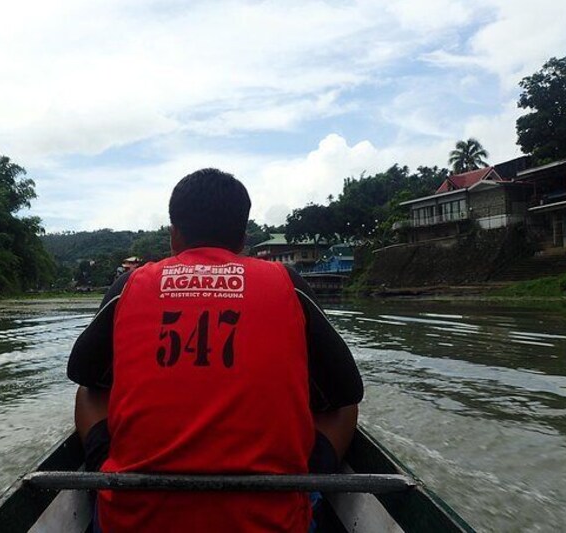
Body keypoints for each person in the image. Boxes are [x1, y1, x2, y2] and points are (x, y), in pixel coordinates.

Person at [67, 168, 363, 532]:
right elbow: (346, 391)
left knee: (89, 392)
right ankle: (306, 485)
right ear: (242, 237)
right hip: (272, 522)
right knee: (345, 408)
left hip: (131, 520)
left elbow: (82, 373)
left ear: (174, 235)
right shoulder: (286, 282)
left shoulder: (131, 283)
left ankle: (105, 478)